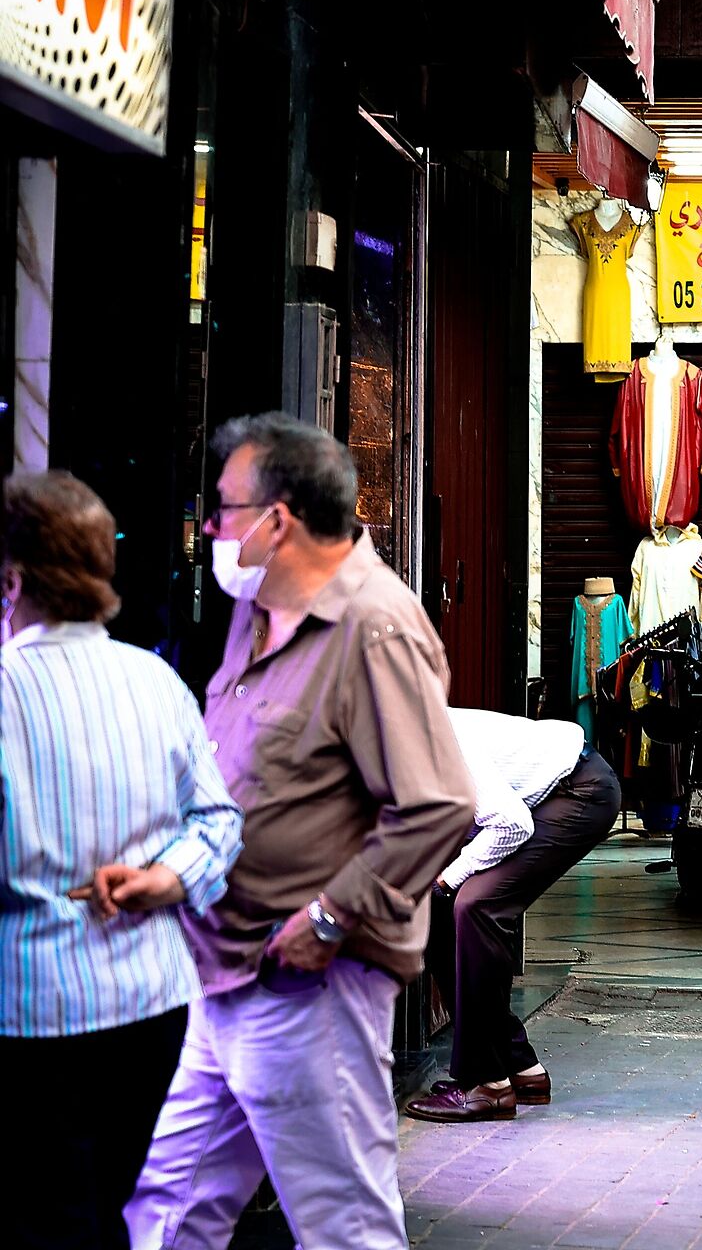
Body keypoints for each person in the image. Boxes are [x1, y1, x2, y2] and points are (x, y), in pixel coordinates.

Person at [127, 415, 477, 1250]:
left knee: (343, 1227)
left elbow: (437, 805)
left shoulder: (375, 625)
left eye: (224, 509)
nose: (212, 529)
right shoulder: (255, 612)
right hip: (224, 968)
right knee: (168, 1207)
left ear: (277, 519)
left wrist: (327, 919)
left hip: (309, 987)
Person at [0, 472, 244, 1250]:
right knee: (111, 1208)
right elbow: (218, 821)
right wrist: (166, 878)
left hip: (28, 1010)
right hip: (151, 1004)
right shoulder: (157, 681)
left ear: (13, 579)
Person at [406, 708, 622, 1122]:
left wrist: (447, 878)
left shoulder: (434, 736)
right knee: (439, 910)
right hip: (550, 793)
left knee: (476, 905)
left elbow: (510, 823)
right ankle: (520, 1067)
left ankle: (487, 1085)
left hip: (580, 788)